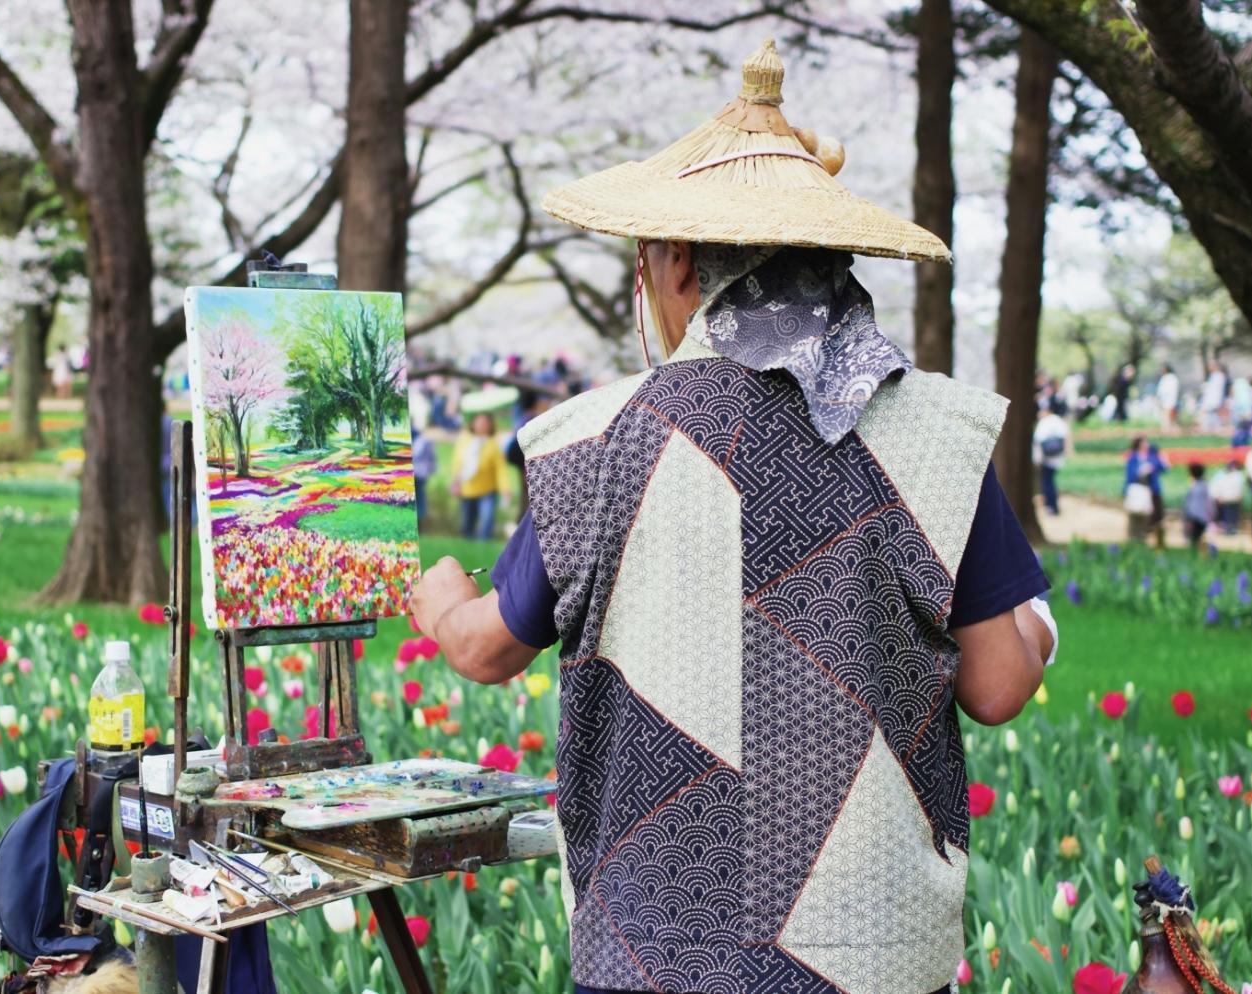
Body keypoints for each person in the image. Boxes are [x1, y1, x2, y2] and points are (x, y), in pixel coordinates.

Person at [410, 41, 1056, 994]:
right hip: (869, 954)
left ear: (676, 262)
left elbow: (484, 648)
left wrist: (438, 597)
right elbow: (1000, 685)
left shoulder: (596, 441)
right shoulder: (932, 432)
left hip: (651, 949)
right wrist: (1038, 627)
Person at [449, 411, 507, 540]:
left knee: (487, 521)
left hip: (487, 491)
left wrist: (505, 489)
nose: (481, 425)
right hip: (467, 489)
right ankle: (467, 546)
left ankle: (484, 545)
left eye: (485, 423)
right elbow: (457, 463)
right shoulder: (464, 440)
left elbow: (501, 469)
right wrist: (455, 482)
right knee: (467, 524)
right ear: (473, 424)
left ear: (490, 426)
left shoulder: (494, 445)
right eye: (479, 422)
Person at [1123, 436, 1168, 548]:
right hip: (1139, 492)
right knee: (1137, 516)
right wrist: (1140, 471)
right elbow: (1129, 476)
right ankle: (1136, 540)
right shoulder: (1133, 458)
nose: (1147, 444)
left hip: (1152, 491)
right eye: (1144, 442)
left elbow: (1163, 467)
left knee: (1156, 517)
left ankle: (1156, 541)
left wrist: (1154, 465)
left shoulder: (1151, 456)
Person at [1032, 403, 1068, 515]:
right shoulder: (1059, 421)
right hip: (1057, 457)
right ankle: (1053, 505)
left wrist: (1037, 459)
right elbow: (1065, 438)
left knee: (1047, 482)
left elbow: (1038, 441)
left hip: (1046, 458)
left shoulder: (1044, 422)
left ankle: (1051, 506)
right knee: (1051, 481)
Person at [1210, 459, 1246, 535]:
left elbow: (1240, 488)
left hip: (1230, 499)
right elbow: (1217, 487)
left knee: (1231, 515)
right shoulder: (1223, 475)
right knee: (1229, 515)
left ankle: (1230, 528)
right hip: (1227, 499)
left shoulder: (1236, 475)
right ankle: (1228, 528)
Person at [1182, 463, 1212, 551]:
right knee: (1196, 539)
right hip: (1202, 517)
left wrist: (1188, 516)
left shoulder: (1196, 487)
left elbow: (1191, 504)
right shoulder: (1204, 485)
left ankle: (1195, 553)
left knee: (1194, 540)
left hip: (1194, 517)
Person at [411, 427, 436, 524]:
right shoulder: (423, 439)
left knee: (419, 496)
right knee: (419, 496)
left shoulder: (423, 440)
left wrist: (431, 470)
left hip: (420, 473)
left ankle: (420, 518)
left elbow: (431, 458)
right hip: (420, 473)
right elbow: (432, 458)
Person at [1200, 360, 1227, 430]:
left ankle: (1214, 428)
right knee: (1213, 415)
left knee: (1210, 415)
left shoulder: (1218, 376)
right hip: (1212, 399)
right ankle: (1215, 428)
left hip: (1213, 399)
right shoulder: (1215, 376)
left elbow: (1216, 390)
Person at [1156, 364, 1180, 433]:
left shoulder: (1172, 378)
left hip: (1170, 400)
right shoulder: (1164, 378)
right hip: (1164, 400)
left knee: (1170, 415)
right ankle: (1166, 429)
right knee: (1165, 415)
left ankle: (1170, 429)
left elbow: (1173, 390)